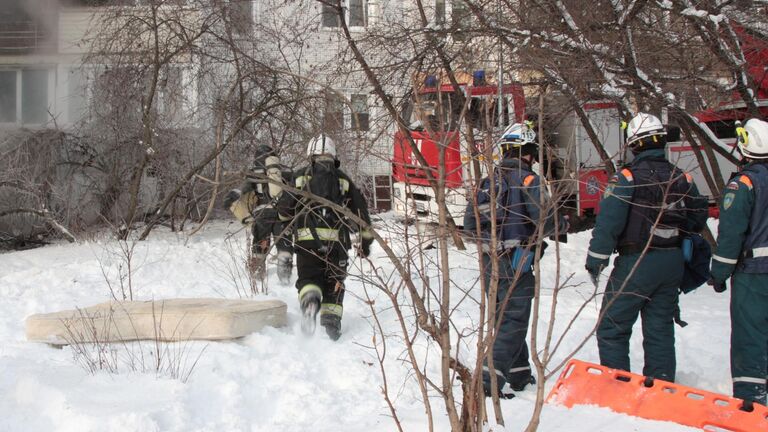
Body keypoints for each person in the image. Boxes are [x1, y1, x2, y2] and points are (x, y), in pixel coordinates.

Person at [585, 112, 708, 382]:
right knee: (660, 326)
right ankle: (661, 384)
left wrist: (596, 260)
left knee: (612, 325)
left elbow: (609, 224)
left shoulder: (626, 178)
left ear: (634, 144)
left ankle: (619, 385)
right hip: (672, 262)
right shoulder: (682, 178)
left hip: (637, 262)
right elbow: (698, 216)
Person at [463, 122, 568, 399]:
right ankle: (487, 377)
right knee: (514, 320)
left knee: (503, 318)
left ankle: (519, 373)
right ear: (528, 153)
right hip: (518, 262)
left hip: (489, 264)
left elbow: (469, 227)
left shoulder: (486, 184)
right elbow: (548, 221)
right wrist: (564, 222)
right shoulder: (529, 181)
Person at [277, 134, 374, 340]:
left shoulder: (300, 176)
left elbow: (284, 210)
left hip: (306, 243)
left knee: (309, 278)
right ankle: (332, 323)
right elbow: (362, 214)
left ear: (310, 155)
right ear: (333, 154)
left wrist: (289, 217)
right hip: (337, 245)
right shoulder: (343, 180)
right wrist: (365, 243)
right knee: (334, 281)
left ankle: (311, 301)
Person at [710, 118, 768, 407]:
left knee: (751, 336)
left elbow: (731, 235)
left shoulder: (744, 183)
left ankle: (751, 404)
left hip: (754, 275)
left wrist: (719, 273)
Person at [223, 144, 294, 285]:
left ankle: (256, 274)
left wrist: (236, 196)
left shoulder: (253, 174)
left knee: (259, 244)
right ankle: (285, 276)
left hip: (262, 214)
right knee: (284, 244)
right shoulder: (283, 172)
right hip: (281, 213)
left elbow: (244, 189)